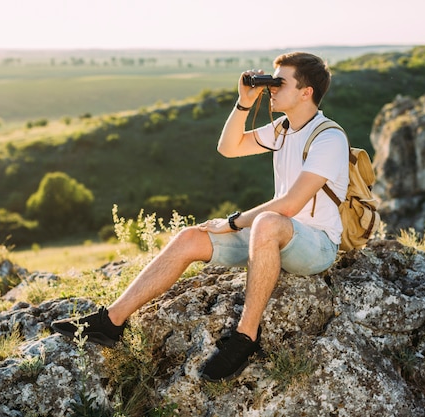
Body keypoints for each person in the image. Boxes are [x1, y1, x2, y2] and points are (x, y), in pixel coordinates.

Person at [51, 51, 349, 382]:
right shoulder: (282, 129)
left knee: (266, 221)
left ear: (306, 92)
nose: (272, 89)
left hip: (315, 245)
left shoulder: (329, 138)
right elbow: (229, 147)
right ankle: (111, 322)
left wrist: (233, 223)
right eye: (270, 82)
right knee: (190, 237)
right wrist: (244, 102)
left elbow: (290, 205)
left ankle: (244, 339)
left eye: (279, 83)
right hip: (275, 237)